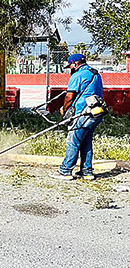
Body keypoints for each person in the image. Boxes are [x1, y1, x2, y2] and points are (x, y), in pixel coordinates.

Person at [52, 53, 104, 181]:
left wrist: (64, 110)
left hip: (82, 113)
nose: (70, 69)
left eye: (70, 66)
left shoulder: (77, 75)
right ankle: (87, 172)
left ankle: (65, 171)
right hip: (96, 113)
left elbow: (69, 96)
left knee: (73, 141)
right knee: (86, 142)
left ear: (75, 64)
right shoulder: (96, 74)